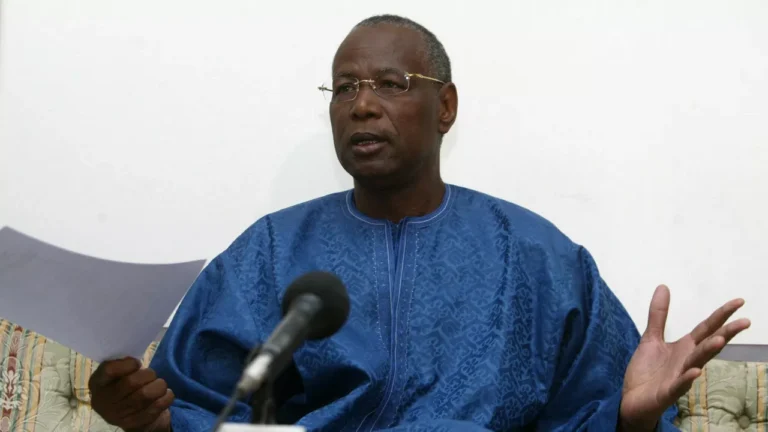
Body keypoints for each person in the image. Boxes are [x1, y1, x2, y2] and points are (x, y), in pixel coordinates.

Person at [88, 15, 749, 432]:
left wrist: (630, 419)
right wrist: (143, 415)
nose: (362, 105)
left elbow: (593, 410)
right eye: (344, 88)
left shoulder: (536, 255)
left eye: (390, 83)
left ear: (445, 106)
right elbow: (199, 406)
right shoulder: (272, 250)